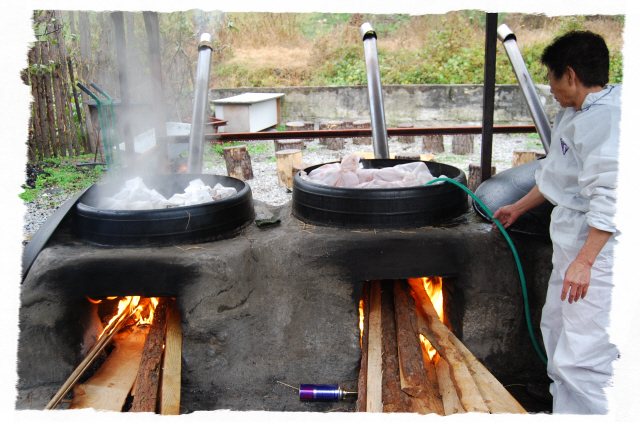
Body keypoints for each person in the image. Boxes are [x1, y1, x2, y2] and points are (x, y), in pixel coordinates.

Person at [492, 31, 620, 414]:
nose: (549, 88)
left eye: (550, 78)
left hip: (596, 254)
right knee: (558, 330)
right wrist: (518, 207)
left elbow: (612, 197)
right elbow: (557, 176)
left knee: (584, 356)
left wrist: (585, 261)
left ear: (570, 75)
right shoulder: (577, 112)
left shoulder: (607, 121)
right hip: (573, 247)